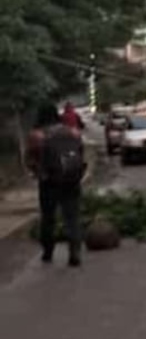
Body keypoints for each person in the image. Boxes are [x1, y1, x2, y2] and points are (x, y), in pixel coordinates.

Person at [26, 103, 87, 267]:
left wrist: (38, 172)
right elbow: (80, 155)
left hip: (49, 182)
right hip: (71, 180)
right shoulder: (72, 132)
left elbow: (30, 159)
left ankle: (48, 252)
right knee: (72, 218)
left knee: (48, 218)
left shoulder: (37, 135)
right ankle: (74, 253)